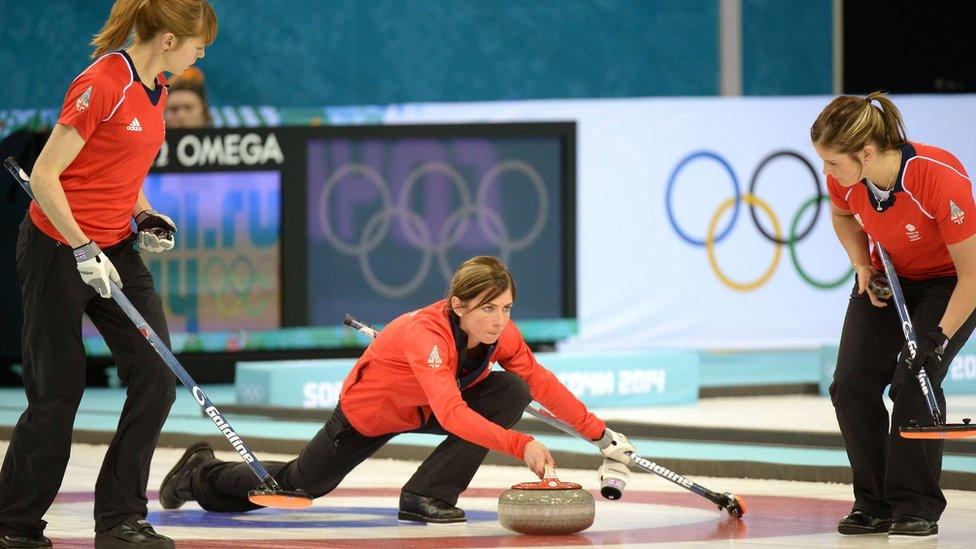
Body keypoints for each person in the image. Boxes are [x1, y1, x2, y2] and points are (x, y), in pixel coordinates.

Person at [159, 256, 635, 523]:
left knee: (511, 389)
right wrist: (521, 442)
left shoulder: (499, 334)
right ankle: (200, 473)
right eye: (489, 309)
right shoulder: (426, 335)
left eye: (507, 308)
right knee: (300, 488)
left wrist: (601, 436)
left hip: (428, 404)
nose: (500, 320)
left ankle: (426, 495)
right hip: (374, 412)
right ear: (457, 305)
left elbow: (540, 383)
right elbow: (451, 413)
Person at [0, 1, 216, 548]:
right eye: (199, 42)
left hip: (115, 247)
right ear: (168, 38)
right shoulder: (103, 82)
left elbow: (119, 168)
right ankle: (13, 525)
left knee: (155, 378)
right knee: (58, 394)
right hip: (58, 247)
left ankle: (120, 520)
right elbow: (47, 175)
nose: (202, 52)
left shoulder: (158, 87)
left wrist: (143, 214)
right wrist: (80, 247)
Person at [812, 92, 976, 538]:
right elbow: (844, 216)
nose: (827, 173)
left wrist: (938, 338)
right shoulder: (845, 180)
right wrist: (862, 262)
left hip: (950, 283)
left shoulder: (937, 177)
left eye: (833, 163)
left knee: (913, 379)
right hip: (889, 276)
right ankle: (873, 502)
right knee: (850, 384)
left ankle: (916, 505)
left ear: (866, 152)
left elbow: (973, 277)